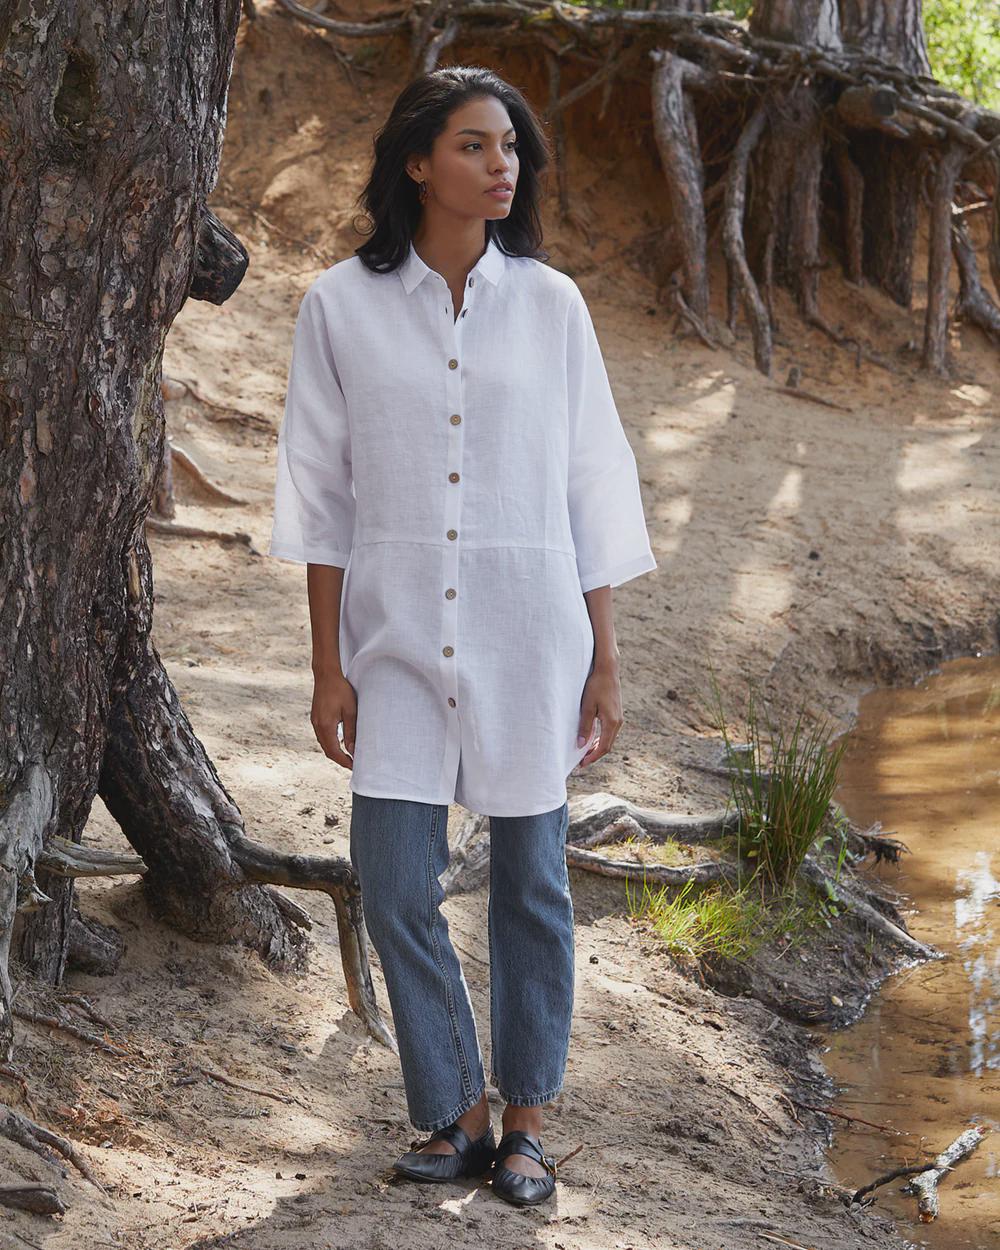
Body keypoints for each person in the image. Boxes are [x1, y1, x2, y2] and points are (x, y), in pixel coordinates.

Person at [267, 64, 656, 1207]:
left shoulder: (552, 305)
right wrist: (327, 665)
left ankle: (525, 1122)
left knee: (531, 883)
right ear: (415, 162)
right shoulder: (338, 305)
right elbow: (320, 498)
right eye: (475, 145)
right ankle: (455, 1107)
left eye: (511, 147)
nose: (502, 166)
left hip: (530, 630)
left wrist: (604, 655)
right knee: (394, 881)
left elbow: (592, 483)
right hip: (392, 635)